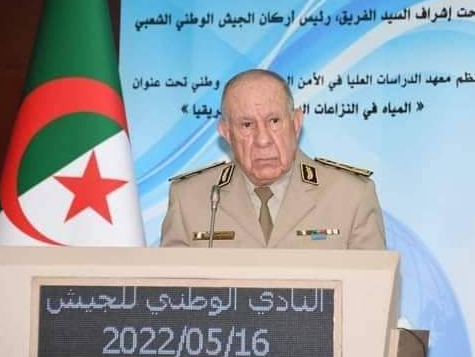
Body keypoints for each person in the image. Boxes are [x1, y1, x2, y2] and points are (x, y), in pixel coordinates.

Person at [160, 68, 386, 249]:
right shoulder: (189, 199)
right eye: (247, 125)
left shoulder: (351, 196)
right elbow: (170, 289)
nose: (263, 140)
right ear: (226, 133)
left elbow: (373, 289)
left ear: (296, 123)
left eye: (274, 121)